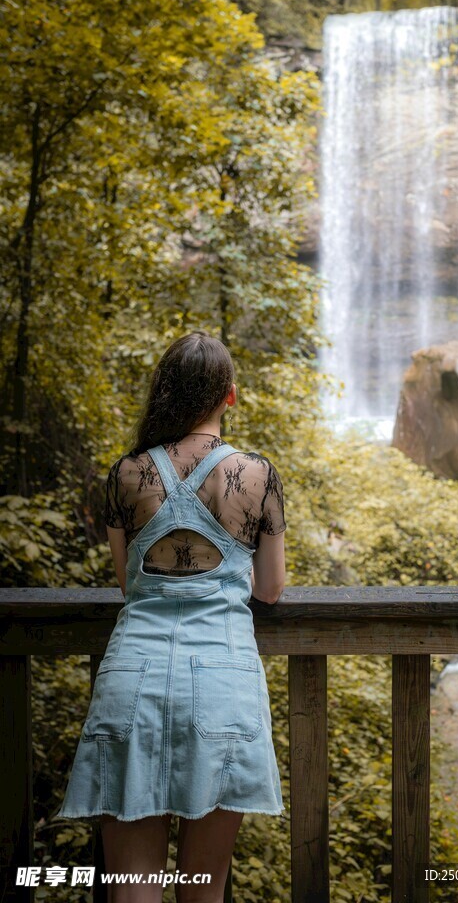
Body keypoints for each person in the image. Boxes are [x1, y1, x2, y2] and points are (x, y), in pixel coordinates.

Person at [56, 330, 287, 902]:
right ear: (229, 396)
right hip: (223, 678)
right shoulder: (256, 476)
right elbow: (272, 590)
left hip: (133, 673)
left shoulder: (126, 473)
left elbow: (126, 582)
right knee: (202, 891)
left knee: (134, 891)